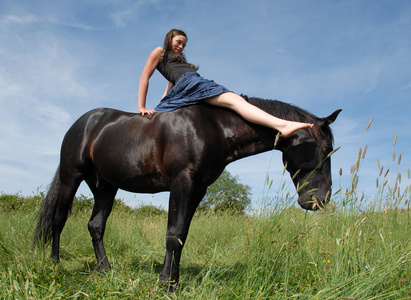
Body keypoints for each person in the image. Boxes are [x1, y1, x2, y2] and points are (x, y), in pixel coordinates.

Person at [138, 29, 313, 137]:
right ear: (169, 39)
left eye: (184, 44)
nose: (181, 47)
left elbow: (170, 89)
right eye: (178, 42)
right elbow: (145, 76)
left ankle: (281, 125)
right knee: (236, 102)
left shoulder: (179, 62)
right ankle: (282, 125)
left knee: (234, 103)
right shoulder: (159, 51)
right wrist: (142, 107)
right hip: (191, 83)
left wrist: (164, 103)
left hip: (191, 85)